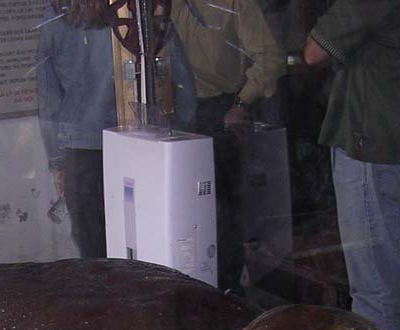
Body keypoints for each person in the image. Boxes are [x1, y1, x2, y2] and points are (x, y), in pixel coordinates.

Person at [303, 0, 400, 330]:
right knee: (380, 274)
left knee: (373, 283)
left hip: (369, 146)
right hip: (387, 143)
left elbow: (314, 50)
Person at [37, 0, 196, 259]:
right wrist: (183, 135)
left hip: (82, 148)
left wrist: (57, 160)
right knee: (144, 245)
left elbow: (48, 93)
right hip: (139, 143)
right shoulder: (137, 8)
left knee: (94, 250)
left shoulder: (57, 15)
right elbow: (180, 77)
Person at [170, 0, 286, 293]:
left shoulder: (235, 2)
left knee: (222, 218)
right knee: (178, 218)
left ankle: (226, 297)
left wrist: (240, 104)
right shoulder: (163, 5)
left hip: (218, 115)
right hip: (173, 119)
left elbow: (270, 57)